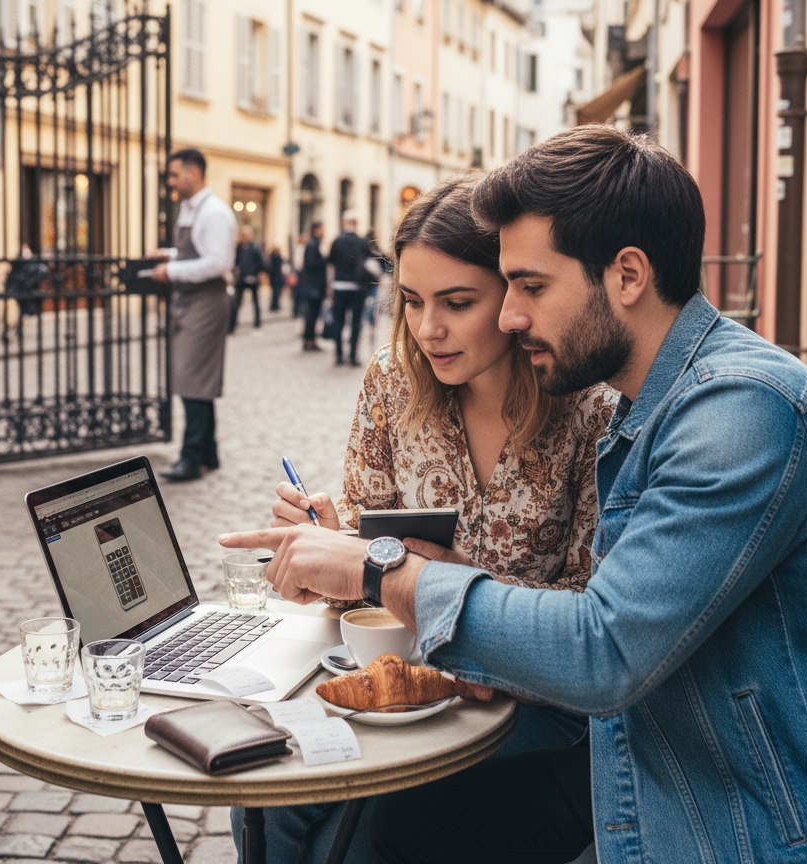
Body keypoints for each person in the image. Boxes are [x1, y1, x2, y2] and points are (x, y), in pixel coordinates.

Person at [222, 126, 807, 864]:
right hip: (660, 761)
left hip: (768, 825)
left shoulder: (739, 411)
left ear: (628, 275)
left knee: (371, 836)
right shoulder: (652, 407)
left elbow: (601, 649)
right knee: (288, 806)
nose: (510, 317)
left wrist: (379, 567)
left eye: (530, 287)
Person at [230, 177, 617, 862]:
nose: (428, 329)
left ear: (512, 296)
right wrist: (330, 544)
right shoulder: (390, 381)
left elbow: (595, 613)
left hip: (521, 703)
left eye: (457, 302)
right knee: (265, 800)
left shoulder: (585, 408)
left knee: (359, 840)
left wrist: (438, 581)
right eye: (411, 301)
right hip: (392, 676)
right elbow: (364, 566)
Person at [151, 148, 236, 481]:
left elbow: (218, 262)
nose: (170, 181)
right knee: (194, 380)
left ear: (194, 173)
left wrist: (171, 270)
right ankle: (208, 453)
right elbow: (195, 252)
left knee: (193, 380)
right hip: (190, 301)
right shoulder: (191, 209)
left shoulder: (214, 211)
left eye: (174, 174)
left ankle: (192, 457)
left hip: (206, 301)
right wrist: (170, 254)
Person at [327, 210, 370, 366]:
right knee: (356, 322)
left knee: (338, 321)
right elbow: (369, 263)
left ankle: (338, 354)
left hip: (339, 286)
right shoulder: (362, 242)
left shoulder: (337, 241)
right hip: (358, 287)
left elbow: (330, 264)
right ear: (356, 224)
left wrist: (329, 285)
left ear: (344, 223)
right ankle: (352, 355)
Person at [229, 226, 267, 331]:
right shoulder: (238, 248)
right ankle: (232, 324)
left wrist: (259, 273)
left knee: (255, 301)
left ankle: (257, 321)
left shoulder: (255, 248)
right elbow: (234, 261)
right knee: (237, 301)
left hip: (253, 278)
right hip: (241, 278)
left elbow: (261, 262)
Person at [299, 221, 327, 351]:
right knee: (311, 314)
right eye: (322, 229)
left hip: (314, 286)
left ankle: (311, 339)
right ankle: (309, 340)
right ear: (316, 230)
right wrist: (324, 261)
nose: (324, 232)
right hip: (313, 287)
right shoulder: (312, 245)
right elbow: (310, 264)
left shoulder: (315, 244)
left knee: (313, 314)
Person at [267, 245, 285, 313]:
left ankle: (275, 305)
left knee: (276, 292)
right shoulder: (273, 257)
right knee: (276, 292)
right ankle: (274, 305)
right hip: (275, 277)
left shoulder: (274, 257)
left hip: (277, 277)